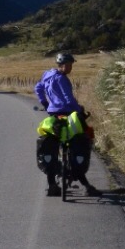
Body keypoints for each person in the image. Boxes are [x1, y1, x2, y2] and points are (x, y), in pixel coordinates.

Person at [34, 52, 102, 197]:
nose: (71, 68)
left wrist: (45, 103)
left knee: (51, 145)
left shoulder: (47, 74)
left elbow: (38, 88)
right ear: (62, 65)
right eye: (69, 65)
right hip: (68, 113)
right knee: (80, 139)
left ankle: (52, 184)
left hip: (53, 114)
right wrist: (79, 110)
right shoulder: (62, 79)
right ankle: (86, 185)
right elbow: (68, 98)